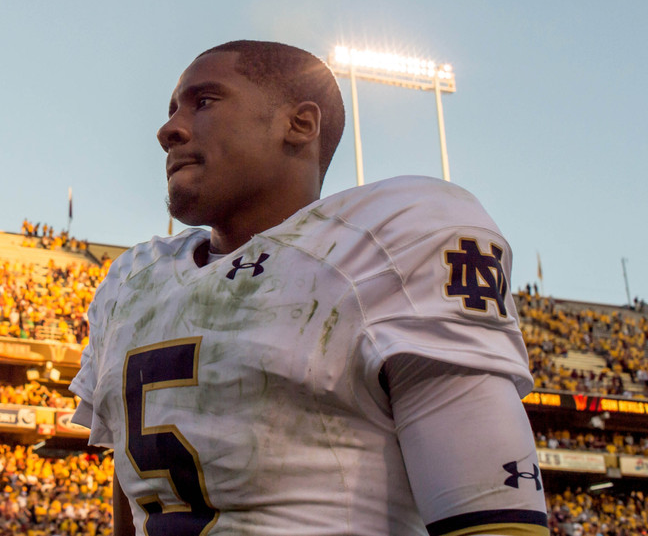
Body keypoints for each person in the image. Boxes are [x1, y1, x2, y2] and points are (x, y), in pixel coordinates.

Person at [69, 40, 547, 535]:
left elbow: (494, 518)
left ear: (300, 124)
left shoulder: (385, 242)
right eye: (172, 109)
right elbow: (137, 501)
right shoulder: (132, 281)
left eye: (204, 101)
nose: (169, 129)